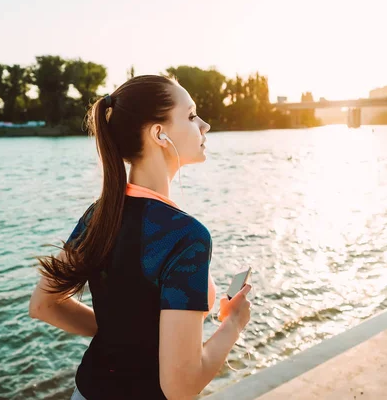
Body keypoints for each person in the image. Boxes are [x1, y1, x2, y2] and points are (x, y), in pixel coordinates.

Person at [28, 75, 253, 399]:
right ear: (159, 134)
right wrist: (233, 324)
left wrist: (118, 332)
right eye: (191, 116)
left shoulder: (98, 215)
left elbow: (42, 306)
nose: (204, 125)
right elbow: (180, 387)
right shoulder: (185, 236)